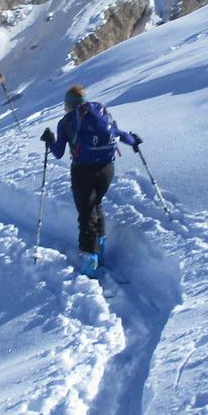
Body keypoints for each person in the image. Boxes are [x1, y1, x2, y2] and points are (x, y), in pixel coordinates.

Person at [40, 85, 142, 277]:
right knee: (96, 205)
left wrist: (49, 140)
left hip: (82, 171)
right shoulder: (99, 114)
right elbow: (120, 134)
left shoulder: (66, 122)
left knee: (86, 213)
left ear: (68, 105)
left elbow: (59, 152)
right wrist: (134, 141)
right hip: (106, 170)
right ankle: (99, 250)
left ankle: (90, 260)